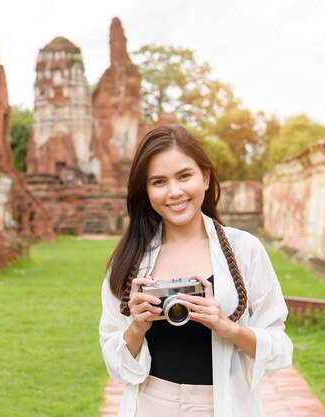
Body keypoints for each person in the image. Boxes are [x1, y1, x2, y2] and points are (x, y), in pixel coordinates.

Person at [99, 125, 293, 417]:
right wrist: (137, 327)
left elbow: (279, 348)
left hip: (223, 405)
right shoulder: (129, 261)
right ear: (146, 190)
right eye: (159, 181)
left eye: (184, 176)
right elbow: (115, 362)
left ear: (205, 177)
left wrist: (227, 327)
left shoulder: (244, 250)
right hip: (150, 404)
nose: (174, 192)